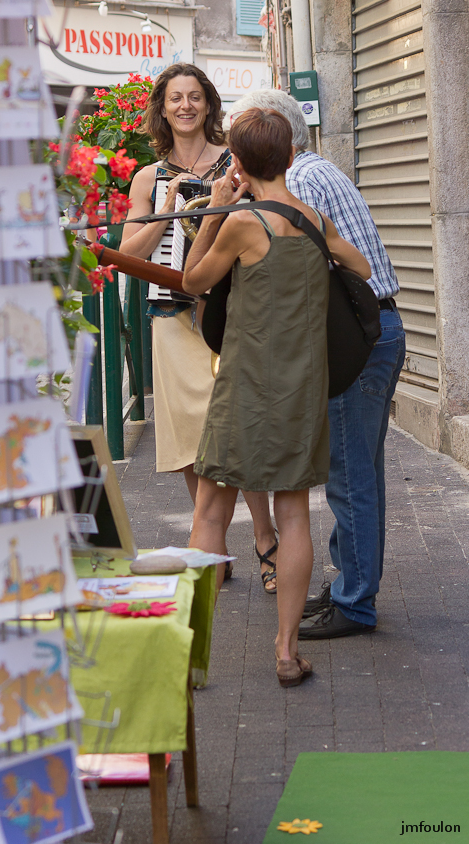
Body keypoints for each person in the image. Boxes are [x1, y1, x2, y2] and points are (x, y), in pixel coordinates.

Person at [182, 108, 371, 685]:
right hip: (299, 391)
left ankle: (192, 657)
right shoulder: (312, 218)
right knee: (294, 517)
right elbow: (360, 268)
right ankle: (287, 653)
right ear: (291, 157)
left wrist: (217, 210)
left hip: (243, 388)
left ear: (236, 163)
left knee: (211, 511)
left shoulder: (244, 223)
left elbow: (193, 280)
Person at [223, 90, 406, 638]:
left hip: (356, 339)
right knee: (358, 472)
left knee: (350, 478)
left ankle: (355, 603)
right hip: (374, 330)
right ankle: (352, 584)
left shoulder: (293, 188)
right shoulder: (317, 171)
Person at [120, 64, 279, 588]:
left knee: (238, 432)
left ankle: (265, 537)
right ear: (162, 109)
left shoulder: (236, 165)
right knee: (191, 436)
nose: (185, 106)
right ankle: (213, 547)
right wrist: (165, 207)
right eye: (174, 99)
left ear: (209, 105)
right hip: (171, 315)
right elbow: (127, 254)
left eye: (194, 97)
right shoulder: (148, 177)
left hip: (228, 314)